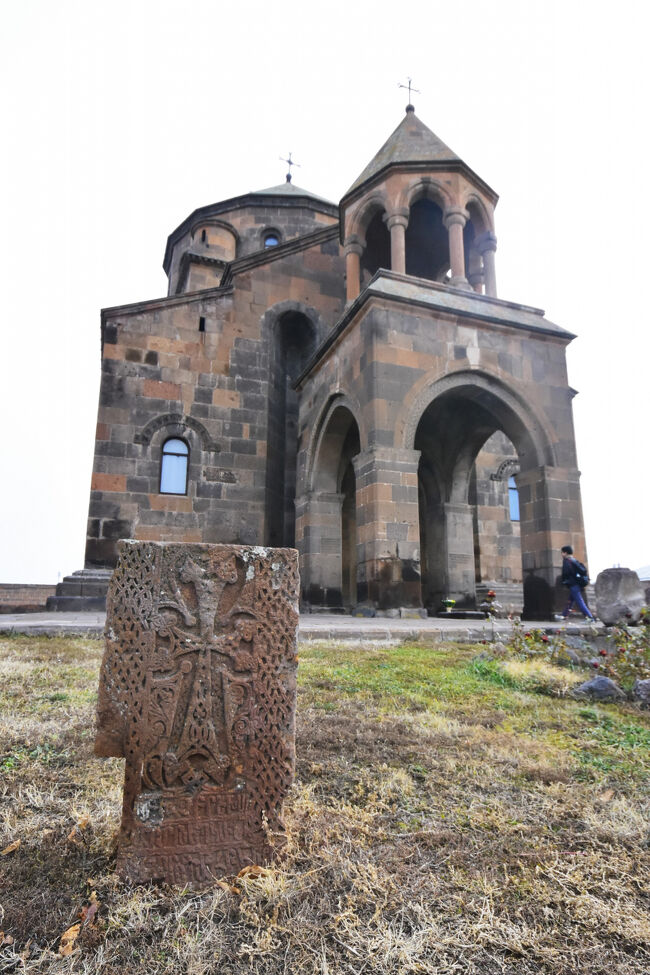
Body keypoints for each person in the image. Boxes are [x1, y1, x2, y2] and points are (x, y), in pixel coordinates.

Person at [559, 545, 595, 620]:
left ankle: (590, 617)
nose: (561, 554)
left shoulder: (567, 561)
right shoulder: (573, 560)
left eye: (562, 552)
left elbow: (566, 573)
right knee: (570, 600)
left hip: (573, 583)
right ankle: (564, 615)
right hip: (577, 583)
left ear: (565, 552)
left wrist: (565, 581)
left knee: (579, 601)